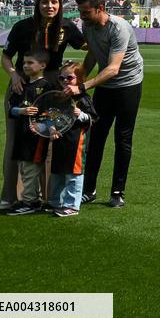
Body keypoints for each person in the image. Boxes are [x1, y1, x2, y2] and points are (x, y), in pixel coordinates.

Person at [0, 0, 85, 211]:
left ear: (60, 5)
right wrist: (14, 74)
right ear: (38, 5)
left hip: (52, 92)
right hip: (22, 88)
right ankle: (9, 196)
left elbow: (88, 45)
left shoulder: (67, 26)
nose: (50, 6)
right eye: (45, 2)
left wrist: (82, 75)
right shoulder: (23, 27)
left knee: (49, 141)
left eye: (54, 2)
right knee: (15, 142)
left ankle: (46, 198)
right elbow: (6, 57)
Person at [69, 0, 144, 209]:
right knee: (96, 138)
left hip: (128, 86)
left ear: (100, 8)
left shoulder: (119, 28)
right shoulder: (89, 26)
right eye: (81, 12)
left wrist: (83, 86)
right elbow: (92, 53)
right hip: (105, 87)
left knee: (122, 139)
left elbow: (113, 68)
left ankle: (117, 192)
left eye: (86, 12)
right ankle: (89, 190)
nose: (82, 17)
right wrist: (79, 77)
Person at [5, 50, 53, 216]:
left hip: (36, 138)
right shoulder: (21, 85)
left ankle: (30, 202)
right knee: (24, 169)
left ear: (42, 66)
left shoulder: (46, 87)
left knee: (32, 169)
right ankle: (32, 199)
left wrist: (45, 126)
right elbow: (11, 109)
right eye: (24, 63)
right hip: (22, 135)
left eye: (30, 62)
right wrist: (21, 111)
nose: (25, 66)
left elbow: (51, 112)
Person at [49, 61, 98, 217]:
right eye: (61, 78)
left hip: (76, 143)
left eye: (69, 78)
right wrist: (51, 127)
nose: (64, 81)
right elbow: (51, 115)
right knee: (57, 172)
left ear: (80, 80)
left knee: (74, 174)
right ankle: (55, 202)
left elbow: (94, 118)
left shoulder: (83, 98)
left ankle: (72, 205)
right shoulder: (58, 96)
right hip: (60, 142)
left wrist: (81, 114)